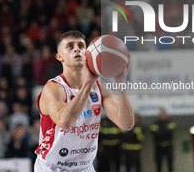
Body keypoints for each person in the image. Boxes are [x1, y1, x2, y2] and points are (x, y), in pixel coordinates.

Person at [34, 30, 134, 171]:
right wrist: (87, 84)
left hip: (85, 168)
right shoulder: (53, 88)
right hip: (53, 167)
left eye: (81, 46)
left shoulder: (100, 88)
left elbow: (126, 124)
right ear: (59, 56)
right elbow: (65, 122)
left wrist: (121, 85)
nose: (77, 49)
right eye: (70, 46)